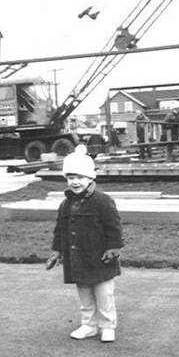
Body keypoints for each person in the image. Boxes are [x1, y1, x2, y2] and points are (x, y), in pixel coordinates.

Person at [47, 144, 124, 343]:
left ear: (90, 178)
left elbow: (113, 227)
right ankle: (89, 325)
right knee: (85, 295)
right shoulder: (66, 204)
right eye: (71, 178)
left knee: (104, 294)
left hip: (101, 257)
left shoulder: (103, 201)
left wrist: (113, 248)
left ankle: (107, 325)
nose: (75, 182)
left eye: (79, 177)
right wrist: (57, 251)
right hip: (77, 257)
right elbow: (60, 229)